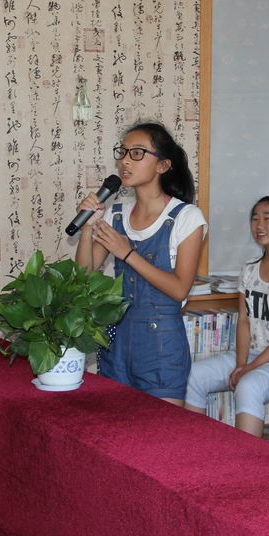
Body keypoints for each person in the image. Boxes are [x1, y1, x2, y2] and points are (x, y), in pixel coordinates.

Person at [74, 121, 206, 405]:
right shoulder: (115, 214)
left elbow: (179, 289)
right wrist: (88, 227)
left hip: (161, 348)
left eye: (137, 153)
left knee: (159, 430)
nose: (125, 160)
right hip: (115, 343)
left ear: (162, 165)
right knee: (115, 428)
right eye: (122, 152)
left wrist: (128, 253)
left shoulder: (187, 217)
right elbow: (83, 276)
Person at [184, 196, 269, 437]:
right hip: (253, 354)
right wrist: (240, 365)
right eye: (255, 219)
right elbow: (244, 321)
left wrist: (250, 369)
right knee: (194, 376)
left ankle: (246, 460)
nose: (259, 225)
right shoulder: (249, 269)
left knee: (249, 385)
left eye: (268, 219)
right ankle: (194, 450)